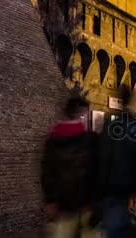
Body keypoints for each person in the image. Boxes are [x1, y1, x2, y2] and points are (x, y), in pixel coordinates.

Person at [99, 86, 136, 238]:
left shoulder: (110, 127)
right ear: (133, 101)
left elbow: (102, 162)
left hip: (111, 193)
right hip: (133, 195)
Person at [41, 95, 100, 238]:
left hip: (63, 203)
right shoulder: (89, 140)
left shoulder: (53, 139)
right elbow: (95, 171)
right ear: (83, 115)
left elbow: (47, 173)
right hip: (86, 203)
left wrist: (51, 200)